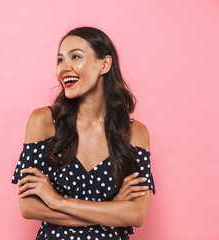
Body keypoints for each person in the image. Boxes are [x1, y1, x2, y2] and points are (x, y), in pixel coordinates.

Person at [11, 26, 156, 240]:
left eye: (75, 57)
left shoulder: (135, 133)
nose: (64, 68)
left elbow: (135, 214)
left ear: (104, 64)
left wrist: (58, 201)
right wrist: (111, 210)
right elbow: (29, 207)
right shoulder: (43, 121)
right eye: (60, 60)